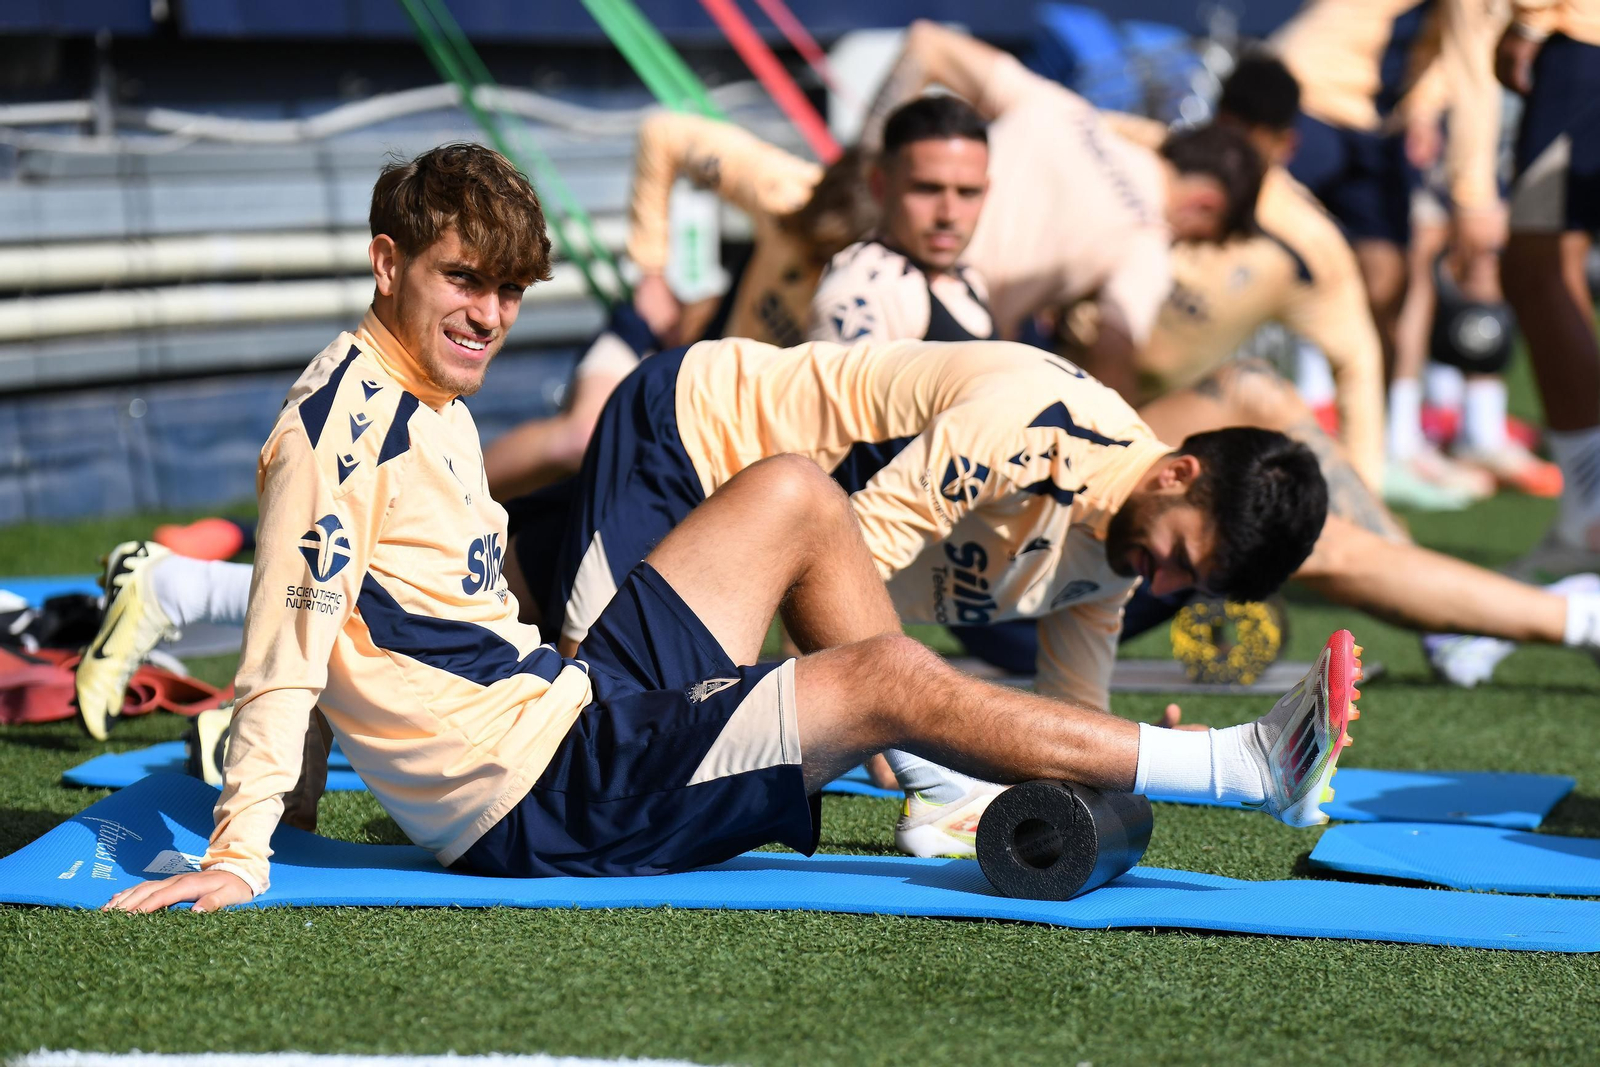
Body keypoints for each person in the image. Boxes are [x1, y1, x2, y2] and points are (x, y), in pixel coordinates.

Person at [101, 144, 1355, 912]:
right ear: (389, 265)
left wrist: (315, 801)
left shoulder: (426, 396)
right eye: (459, 281)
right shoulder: (341, 424)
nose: (486, 313)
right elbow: (296, 632)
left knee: (799, 496)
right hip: (539, 796)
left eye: (505, 289)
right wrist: (248, 848)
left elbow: (364, 612)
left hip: (567, 715)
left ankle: (928, 773)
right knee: (870, 675)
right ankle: (1235, 768)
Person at [481, 111, 876, 499]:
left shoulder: (882, 296)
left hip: (733, 412)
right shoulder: (786, 191)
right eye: (812, 252)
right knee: (583, 438)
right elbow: (663, 134)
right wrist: (652, 272)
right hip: (672, 340)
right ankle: (452, 501)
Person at [859, 20, 1265, 392]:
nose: (1183, 248)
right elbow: (1113, 351)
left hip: (844, 261)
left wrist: (860, 175)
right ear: (1204, 206)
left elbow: (928, 44)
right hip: (917, 341)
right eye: (1195, 241)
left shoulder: (1067, 111)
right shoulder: (1147, 239)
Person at [1101, 53, 1387, 492]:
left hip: (1153, 430)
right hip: (1057, 366)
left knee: (1254, 394)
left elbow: (1356, 363)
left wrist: (1365, 488)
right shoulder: (1144, 151)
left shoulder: (1305, 241)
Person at [1271, 0, 1505, 373]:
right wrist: (1475, 195)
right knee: (1274, 251)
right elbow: (1470, 67)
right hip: (1309, 99)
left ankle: (1364, 414)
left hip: (1376, 123)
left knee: (1388, 280)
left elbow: (1444, 52)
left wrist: (1423, 110)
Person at [1495, 0, 1600, 579]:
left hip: (1582, 38)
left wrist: (1529, 18)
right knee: (1545, 265)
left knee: (1540, 264)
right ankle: (1588, 512)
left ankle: (1590, 516)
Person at [807, 95, 995, 345]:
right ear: (879, 185)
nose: (949, 214)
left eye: (968, 192)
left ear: (986, 191)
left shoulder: (969, 280)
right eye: (927, 189)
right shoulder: (861, 296)